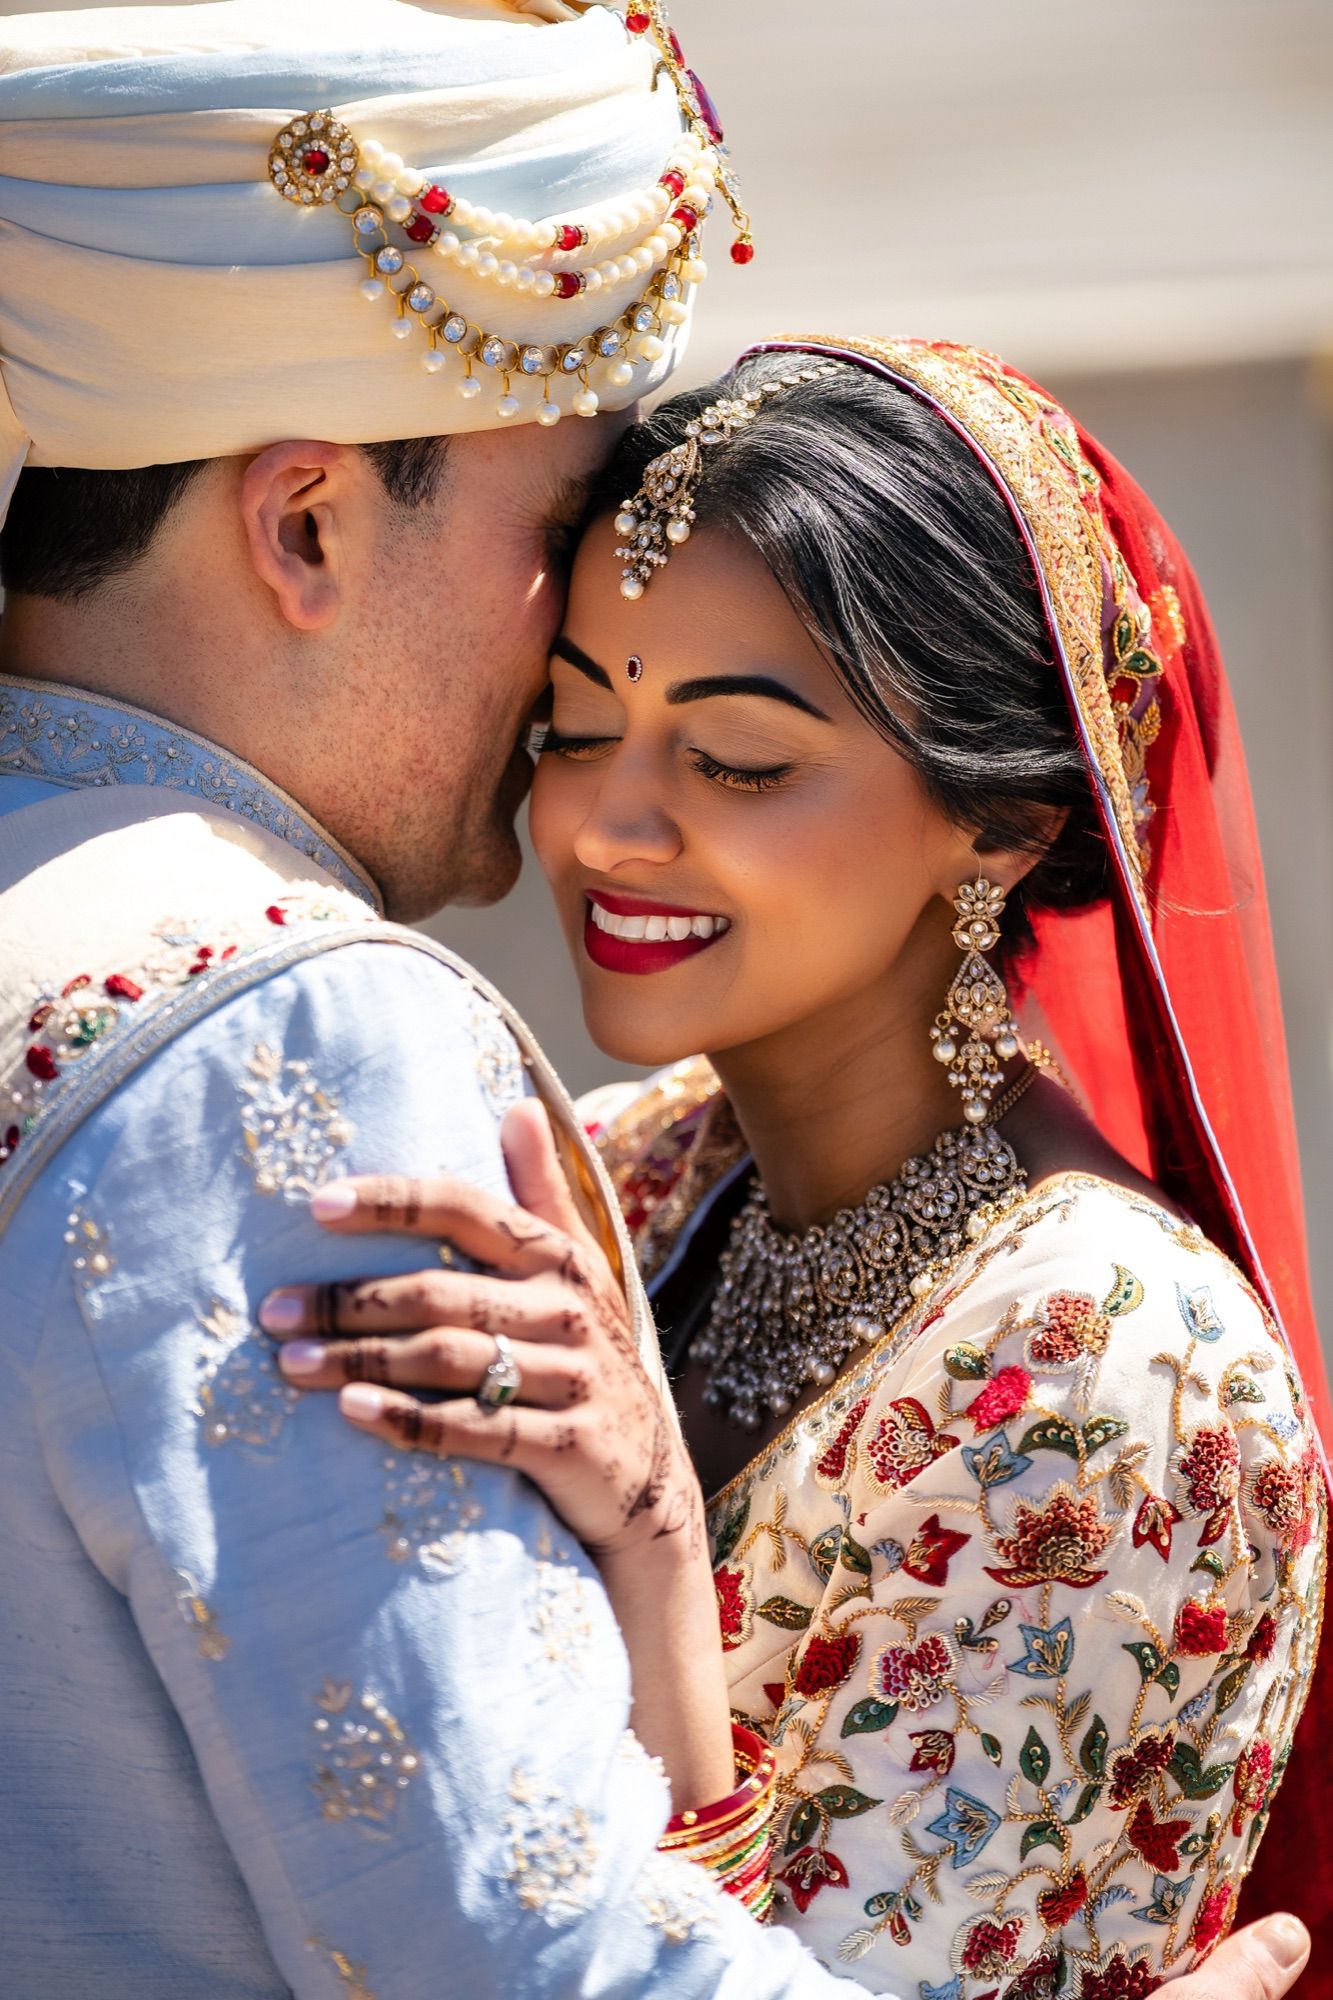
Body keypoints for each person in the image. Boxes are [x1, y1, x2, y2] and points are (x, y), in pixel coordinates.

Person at [268, 341, 1332, 1994]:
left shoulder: (1110, 1375)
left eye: (738, 760)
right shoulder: (636, 1170)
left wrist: (649, 1552)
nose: (607, 827)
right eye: (570, 726)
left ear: (1003, 822)